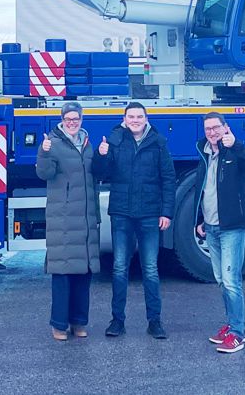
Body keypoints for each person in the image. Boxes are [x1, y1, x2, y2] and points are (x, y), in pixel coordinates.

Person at [93, 101, 175, 339]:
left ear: (146, 119)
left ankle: (155, 322)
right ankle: (117, 321)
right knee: (119, 268)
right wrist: (101, 155)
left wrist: (166, 212)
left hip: (150, 214)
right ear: (124, 118)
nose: (136, 120)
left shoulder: (158, 143)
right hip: (122, 214)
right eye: (131, 116)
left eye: (140, 116)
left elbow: (168, 179)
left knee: (150, 269)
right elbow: (101, 173)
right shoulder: (115, 140)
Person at [193, 112, 245, 353]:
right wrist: (199, 221)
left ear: (226, 128)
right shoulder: (204, 154)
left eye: (216, 127)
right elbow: (203, 191)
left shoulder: (234, 153)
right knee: (222, 281)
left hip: (232, 228)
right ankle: (231, 324)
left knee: (232, 282)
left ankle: (237, 334)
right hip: (211, 227)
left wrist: (239, 146)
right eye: (208, 129)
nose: (212, 132)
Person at [35, 102, 101, 341]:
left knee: (84, 273)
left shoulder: (87, 143)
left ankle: (79, 322)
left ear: (81, 119)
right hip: (63, 219)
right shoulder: (53, 142)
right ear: (62, 119)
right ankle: (59, 324)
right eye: (69, 119)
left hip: (85, 219)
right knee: (62, 274)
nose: (73, 122)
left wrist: (103, 155)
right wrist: (43, 152)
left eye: (77, 118)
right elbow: (44, 173)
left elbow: (96, 175)